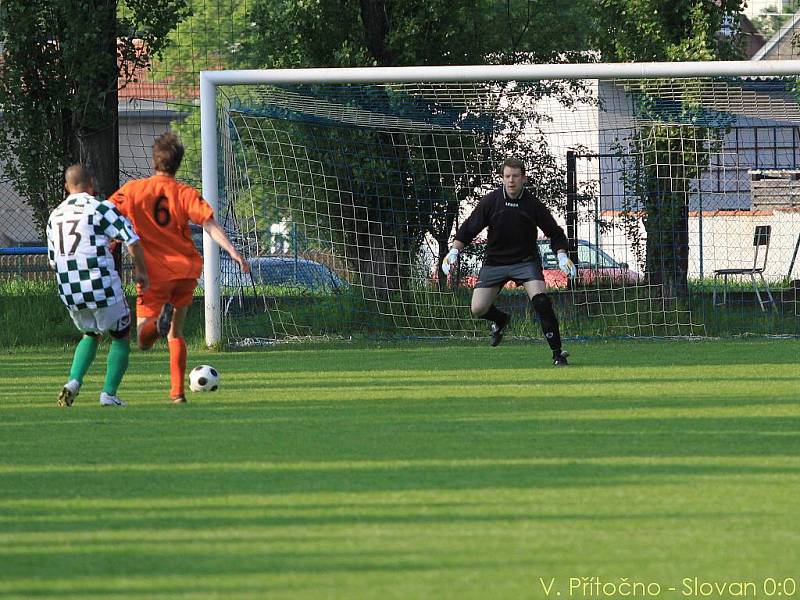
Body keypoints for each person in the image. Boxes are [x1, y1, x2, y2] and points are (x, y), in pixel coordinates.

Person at [109, 131, 249, 403]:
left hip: (153, 273)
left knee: (143, 340)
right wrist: (233, 252)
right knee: (176, 332)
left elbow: (107, 214)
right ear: (177, 163)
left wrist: (111, 238)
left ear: (154, 161)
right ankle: (177, 394)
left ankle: (157, 319)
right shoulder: (184, 192)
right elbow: (209, 224)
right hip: (186, 269)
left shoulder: (133, 190)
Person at [442, 157, 576, 366]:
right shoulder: (491, 201)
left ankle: (557, 354)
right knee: (478, 309)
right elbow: (469, 228)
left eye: (515, 176)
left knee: (541, 301)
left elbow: (554, 232)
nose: (511, 180)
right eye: (507, 176)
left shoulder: (532, 204)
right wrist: (454, 251)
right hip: (495, 262)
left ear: (523, 178)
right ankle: (500, 320)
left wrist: (561, 255)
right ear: (502, 178)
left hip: (525, 261)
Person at [47, 164, 150, 407]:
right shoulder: (100, 208)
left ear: (66, 187)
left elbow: (53, 260)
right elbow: (132, 240)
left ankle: (74, 381)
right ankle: (109, 394)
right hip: (100, 283)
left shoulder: (54, 216)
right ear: (91, 184)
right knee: (121, 334)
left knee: (91, 333)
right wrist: (141, 271)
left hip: (69, 290)